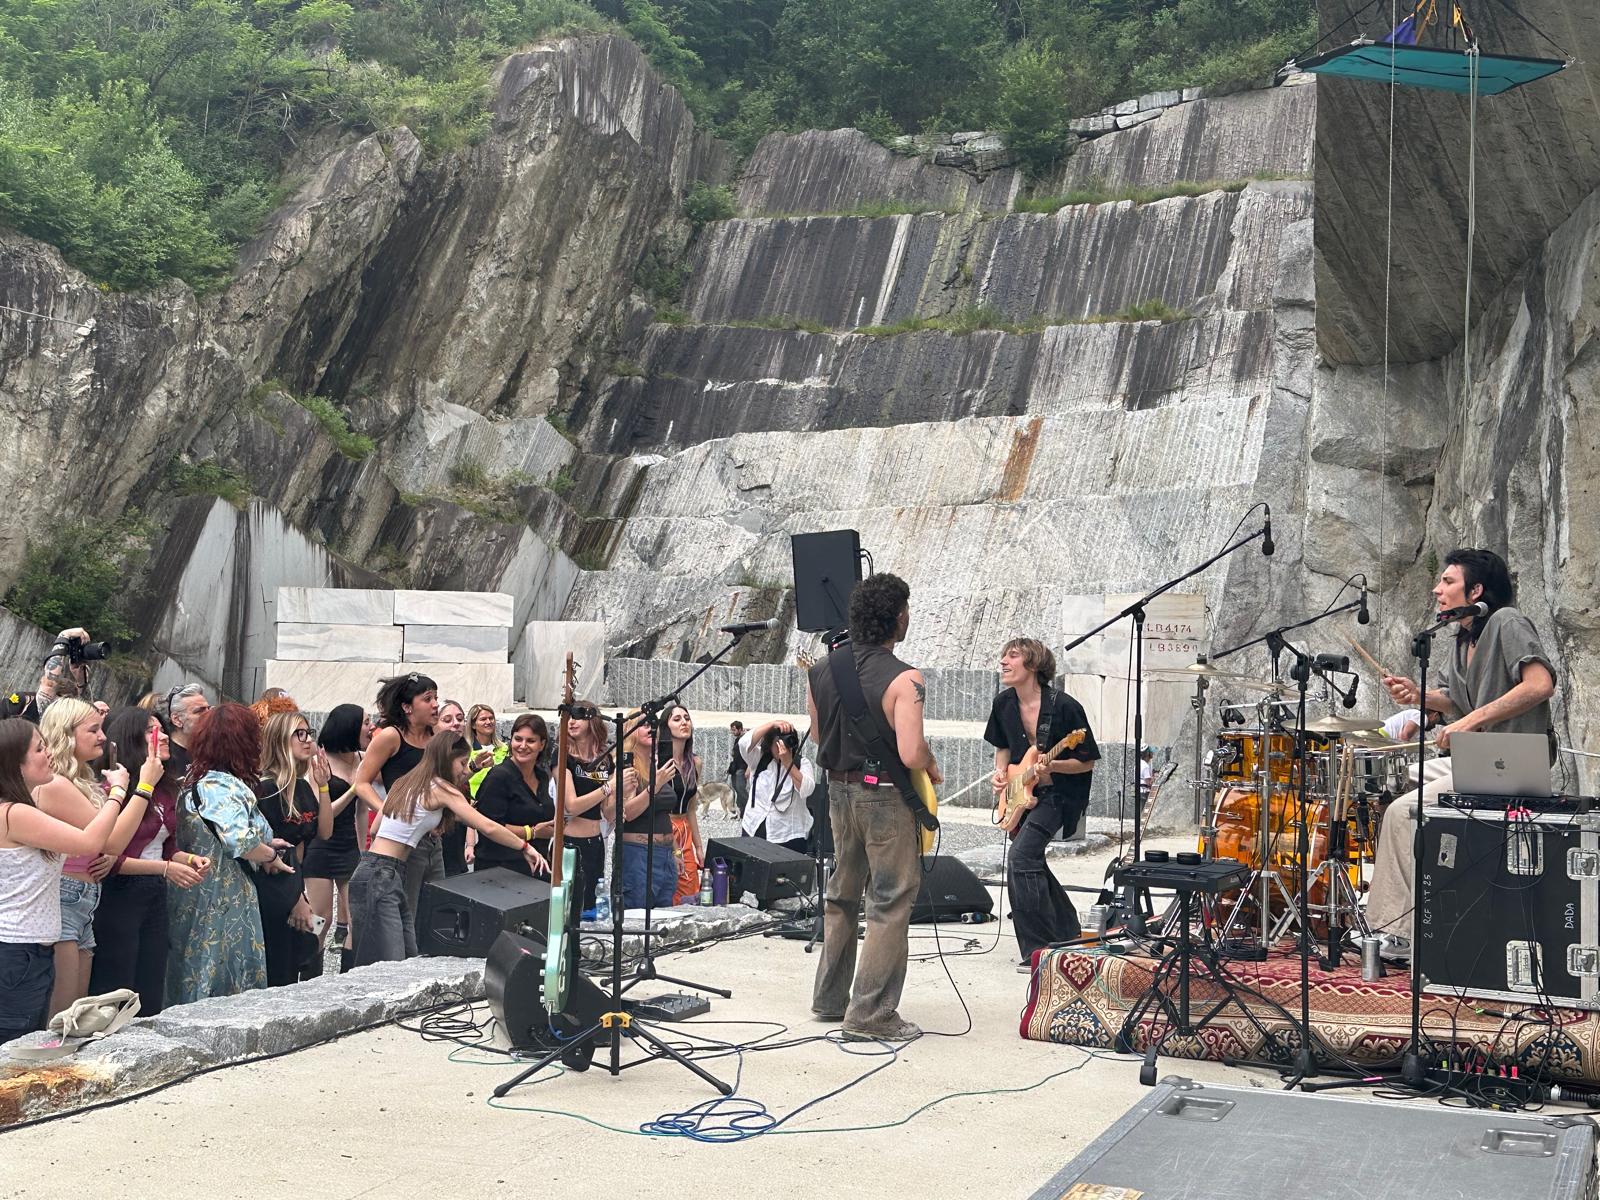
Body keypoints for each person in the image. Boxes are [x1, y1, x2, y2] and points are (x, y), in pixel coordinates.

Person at [1366, 548, 1557, 958]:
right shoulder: (1459, 640)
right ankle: (1426, 909)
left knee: (1404, 811)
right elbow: (1457, 700)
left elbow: (1540, 684)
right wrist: (1421, 698)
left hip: (1512, 761)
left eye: (1448, 582)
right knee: (1399, 783)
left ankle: (1398, 934)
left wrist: (1467, 724)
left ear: (1476, 590)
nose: (1437, 589)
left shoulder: (1508, 622)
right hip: (1480, 760)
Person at [807, 573, 940, 1042]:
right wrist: (931, 762)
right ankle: (870, 1014)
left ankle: (829, 998)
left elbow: (821, 737)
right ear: (897, 616)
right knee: (889, 899)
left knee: (841, 894)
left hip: (838, 792)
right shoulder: (906, 678)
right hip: (884, 795)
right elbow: (910, 753)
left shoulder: (822, 670)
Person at [348, 732, 548, 964]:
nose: (465, 770)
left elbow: (375, 829)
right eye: (462, 763)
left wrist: (421, 825)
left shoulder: (405, 782)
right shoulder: (442, 788)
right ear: (446, 758)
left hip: (373, 869)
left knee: (406, 957)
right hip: (384, 874)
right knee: (391, 965)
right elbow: (486, 826)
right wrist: (525, 845)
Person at [0, 719, 127, 1042]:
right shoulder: (14, 813)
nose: (49, 754)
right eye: (39, 749)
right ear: (15, 763)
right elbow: (90, 843)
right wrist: (120, 791)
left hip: (28, 948)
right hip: (17, 951)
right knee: (16, 1045)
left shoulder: (22, 808)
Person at [985, 638, 1101, 969]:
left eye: (1013, 656)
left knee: (1021, 857)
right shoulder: (1003, 703)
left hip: (1060, 795)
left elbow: (1087, 761)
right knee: (1030, 859)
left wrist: (1054, 766)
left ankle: (1038, 949)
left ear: (1033, 665)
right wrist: (1000, 776)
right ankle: (1067, 931)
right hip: (1021, 792)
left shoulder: (1065, 707)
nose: (1004, 661)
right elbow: (1004, 748)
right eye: (1003, 655)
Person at [87, 707, 209, 1015]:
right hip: (119, 894)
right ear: (133, 740)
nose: (165, 736)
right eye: (153, 730)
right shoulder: (115, 788)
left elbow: (165, 847)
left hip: (154, 892)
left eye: (163, 729)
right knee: (117, 983)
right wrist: (167, 868)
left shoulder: (166, 788)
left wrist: (189, 859)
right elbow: (110, 858)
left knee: (151, 978)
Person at [167, 704, 291, 1004]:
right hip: (224, 896)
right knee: (222, 977)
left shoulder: (194, 781)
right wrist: (270, 857)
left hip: (193, 892)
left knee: (192, 968)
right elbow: (241, 841)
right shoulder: (224, 787)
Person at [34, 698, 149, 1020]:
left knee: (76, 1010)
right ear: (66, 735)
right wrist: (141, 787)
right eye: (93, 729)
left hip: (83, 897)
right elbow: (110, 842)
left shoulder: (80, 780)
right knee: (62, 1013)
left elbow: (112, 847)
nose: (103, 736)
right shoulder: (56, 783)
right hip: (66, 896)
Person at [351, 674, 441, 933]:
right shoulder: (391, 736)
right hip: (403, 838)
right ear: (407, 707)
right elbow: (362, 782)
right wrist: (386, 810)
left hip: (434, 839)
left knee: (437, 909)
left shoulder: (437, 737)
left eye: (436, 697)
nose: (435, 704)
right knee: (407, 913)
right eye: (427, 699)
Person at [253, 711, 331, 985]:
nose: (308, 740)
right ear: (280, 740)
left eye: (309, 733)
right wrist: (296, 899)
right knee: (278, 967)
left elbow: (324, 831)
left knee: (298, 958)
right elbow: (269, 856)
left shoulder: (301, 787)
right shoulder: (265, 790)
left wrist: (323, 788)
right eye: (300, 734)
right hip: (275, 889)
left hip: (296, 884)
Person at [303, 704, 369, 973]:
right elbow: (322, 812)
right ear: (349, 726)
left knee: (357, 917)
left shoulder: (361, 758)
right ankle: (310, 969)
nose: (370, 727)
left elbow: (362, 810)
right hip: (321, 844)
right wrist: (353, 789)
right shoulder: (320, 760)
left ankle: (347, 973)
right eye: (365, 722)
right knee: (322, 918)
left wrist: (363, 847)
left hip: (348, 846)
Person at [557, 698, 636, 917]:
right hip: (570, 842)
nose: (572, 721)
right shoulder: (563, 756)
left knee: (591, 906)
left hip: (596, 841)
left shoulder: (605, 760)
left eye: (579, 717)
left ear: (593, 721)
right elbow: (571, 806)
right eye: (570, 717)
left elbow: (606, 812)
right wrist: (608, 788)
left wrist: (622, 790)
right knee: (569, 908)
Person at [473, 714, 557, 877]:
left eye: (530, 741)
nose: (523, 746)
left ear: (542, 744)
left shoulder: (543, 776)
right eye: (518, 739)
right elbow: (488, 826)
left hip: (537, 866)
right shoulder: (498, 777)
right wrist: (531, 832)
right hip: (499, 869)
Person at [619, 719, 681, 909]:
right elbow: (627, 812)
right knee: (637, 917)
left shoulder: (656, 766)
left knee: (663, 920)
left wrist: (676, 850)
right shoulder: (627, 765)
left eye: (653, 725)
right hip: (639, 854)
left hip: (665, 855)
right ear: (631, 730)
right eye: (644, 725)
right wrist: (655, 786)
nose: (651, 729)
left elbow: (664, 814)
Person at [739, 718, 816, 853]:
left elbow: (807, 789)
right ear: (769, 744)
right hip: (754, 827)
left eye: (786, 741)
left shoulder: (802, 764)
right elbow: (743, 743)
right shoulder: (759, 758)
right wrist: (771, 724)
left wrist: (788, 764)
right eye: (777, 742)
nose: (782, 746)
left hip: (789, 835)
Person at [1, 626, 97, 724]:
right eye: (64, 700)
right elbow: (49, 684)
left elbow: (88, 712)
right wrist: (82, 684)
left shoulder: (63, 720)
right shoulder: (50, 715)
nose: (66, 706)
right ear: (55, 696)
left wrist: (63, 637)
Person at [660, 704, 705, 903]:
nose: (684, 722)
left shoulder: (695, 763)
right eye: (676, 719)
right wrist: (674, 847)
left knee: (690, 886)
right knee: (670, 885)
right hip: (664, 827)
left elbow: (691, 809)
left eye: (686, 718)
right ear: (666, 726)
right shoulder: (659, 761)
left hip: (684, 828)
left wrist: (699, 847)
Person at [162, 683, 210, 782]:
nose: (208, 715)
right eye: (199, 711)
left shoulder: (211, 749)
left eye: (208, 709)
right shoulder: (165, 755)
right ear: (177, 719)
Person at [727, 720, 749, 816]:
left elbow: (749, 754)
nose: (733, 732)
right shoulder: (738, 739)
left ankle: (748, 808)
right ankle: (741, 809)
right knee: (736, 787)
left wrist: (749, 768)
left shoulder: (746, 739)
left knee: (741, 788)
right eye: (732, 730)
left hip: (742, 768)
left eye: (734, 730)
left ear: (740, 729)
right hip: (736, 768)